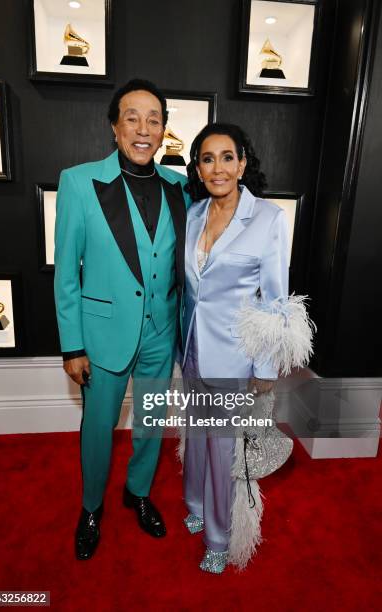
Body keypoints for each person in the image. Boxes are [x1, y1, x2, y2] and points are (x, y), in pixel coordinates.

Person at [54, 79, 191, 560]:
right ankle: (91, 507)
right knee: (98, 426)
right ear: (115, 127)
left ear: (163, 132)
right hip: (102, 334)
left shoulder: (180, 187)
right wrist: (72, 345)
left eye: (154, 119)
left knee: (152, 420)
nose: (143, 128)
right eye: (132, 117)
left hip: (161, 331)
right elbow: (66, 271)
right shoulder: (78, 181)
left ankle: (137, 493)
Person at [181, 123, 312, 573]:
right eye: (207, 159)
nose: (217, 167)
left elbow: (276, 299)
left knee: (222, 448)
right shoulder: (194, 213)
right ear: (197, 168)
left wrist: (265, 365)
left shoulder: (269, 219)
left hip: (235, 356)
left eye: (226, 157)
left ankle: (219, 538)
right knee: (196, 435)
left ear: (241, 163)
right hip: (192, 348)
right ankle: (196, 505)